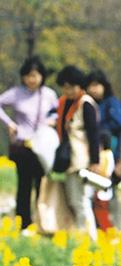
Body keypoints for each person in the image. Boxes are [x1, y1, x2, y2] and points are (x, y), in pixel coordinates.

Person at [0, 56, 58, 231]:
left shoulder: (48, 94)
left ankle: (43, 221)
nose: (32, 79)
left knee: (43, 185)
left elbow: (57, 112)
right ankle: (23, 222)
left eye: (36, 75)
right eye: (29, 75)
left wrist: (52, 121)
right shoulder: (16, 93)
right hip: (23, 145)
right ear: (23, 76)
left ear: (42, 76)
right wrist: (9, 123)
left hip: (43, 147)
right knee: (24, 185)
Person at [56, 65, 100, 240]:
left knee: (81, 200)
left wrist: (95, 161)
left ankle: (90, 237)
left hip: (83, 159)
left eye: (71, 86)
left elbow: (93, 134)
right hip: (71, 160)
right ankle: (82, 234)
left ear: (79, 85)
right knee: (75, 201)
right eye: (64, 87)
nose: (67, 91)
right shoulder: (66, 103)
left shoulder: (85, 103)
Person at [85, 69, 121, 228]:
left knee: (109, 191)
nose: (94, 89)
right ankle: (98, 227)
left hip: (109, 155)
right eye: (90, 85)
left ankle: (113, 226)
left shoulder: (111, 102)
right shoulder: (87, 103)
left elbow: (119, 123)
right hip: (92, 155)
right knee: (93, 193)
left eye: (97, 85)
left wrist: (97, 129)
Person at [90, 131, 115, 232]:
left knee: (102, 213)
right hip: (101, 188)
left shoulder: (106, 155)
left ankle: (108, 232)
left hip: (102, 188)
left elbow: (106, 171)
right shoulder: (108, 154)